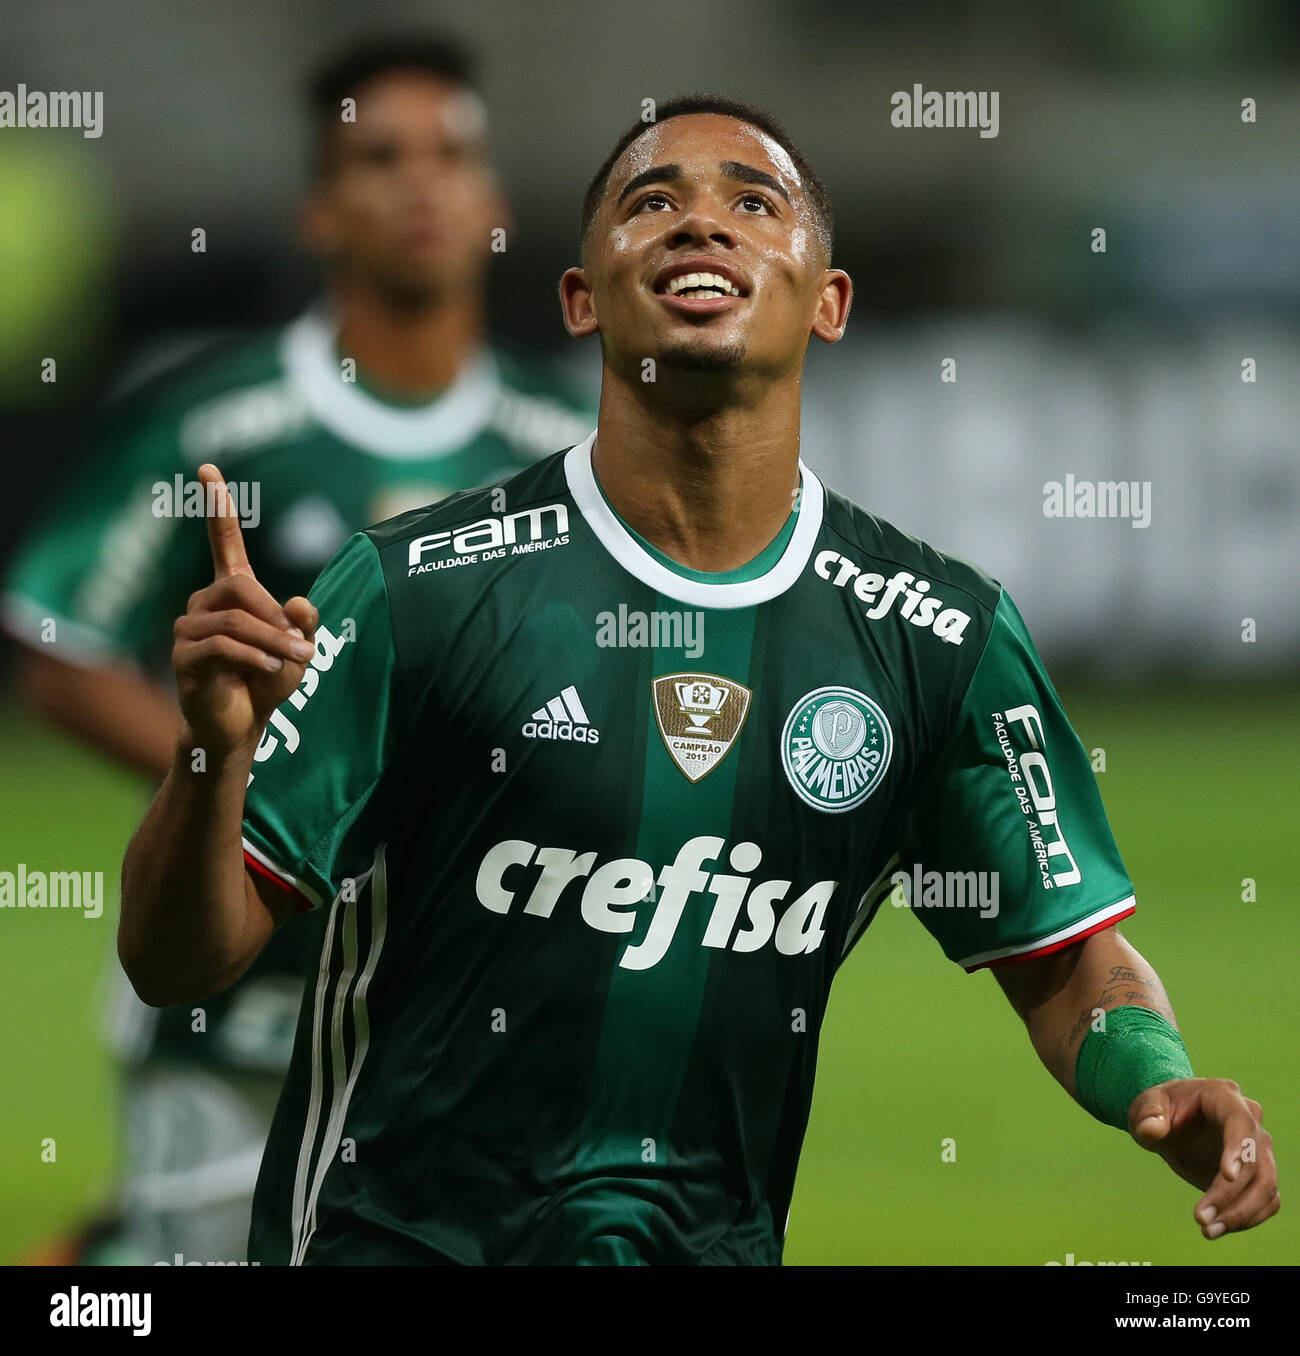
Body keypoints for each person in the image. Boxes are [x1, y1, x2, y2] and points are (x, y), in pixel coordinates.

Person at [119, 95, 1278, 1265]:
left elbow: (1065, 955)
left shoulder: (938, 636)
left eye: (752, 203)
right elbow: (174, 963)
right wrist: (210, 750)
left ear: (828, 305)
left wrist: (1160, 1078)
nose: (699, 226)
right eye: (652, 203)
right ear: (581, 298)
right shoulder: (414, 587)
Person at [6, 34, 592, 1264]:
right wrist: (249, 791)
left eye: (451, 156)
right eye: (382, 158)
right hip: (234, 1008)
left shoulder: (569, 444)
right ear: (322, 209)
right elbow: (58, 651)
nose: (423, 185)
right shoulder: (212, 421)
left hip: (462, 1003)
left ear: (493, 202)